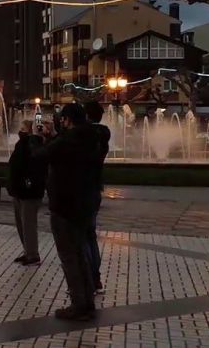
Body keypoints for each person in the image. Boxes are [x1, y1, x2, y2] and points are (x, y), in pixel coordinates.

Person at [36, 102, 99, 321]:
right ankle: (87, 302)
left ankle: (78, 305)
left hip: (64, 205)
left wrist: (39, 137)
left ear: (68, 120)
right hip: (85, 203)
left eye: (62, 119)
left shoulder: (67, 141)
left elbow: (40, 156)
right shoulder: (91, 139)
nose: (60, 122)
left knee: (69, 257)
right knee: (80, 253)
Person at [7, 120, 46, 266]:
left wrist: (27, 182)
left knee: (29, 224)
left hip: (29, 191)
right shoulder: (22, 143)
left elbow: (34, 166)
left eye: (23, 129)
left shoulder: (34, 144)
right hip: (18, 190)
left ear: (30, 131)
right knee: (21, 223)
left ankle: (33, 255)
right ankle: (27, 251)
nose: (20, 131)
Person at [84, 101, 111, 294]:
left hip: (82, 190)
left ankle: (88, 280)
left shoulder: (85, 137)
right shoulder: (103, 136)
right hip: (94, 189)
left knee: (82, 237)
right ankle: (95, 279)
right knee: (90, 235)